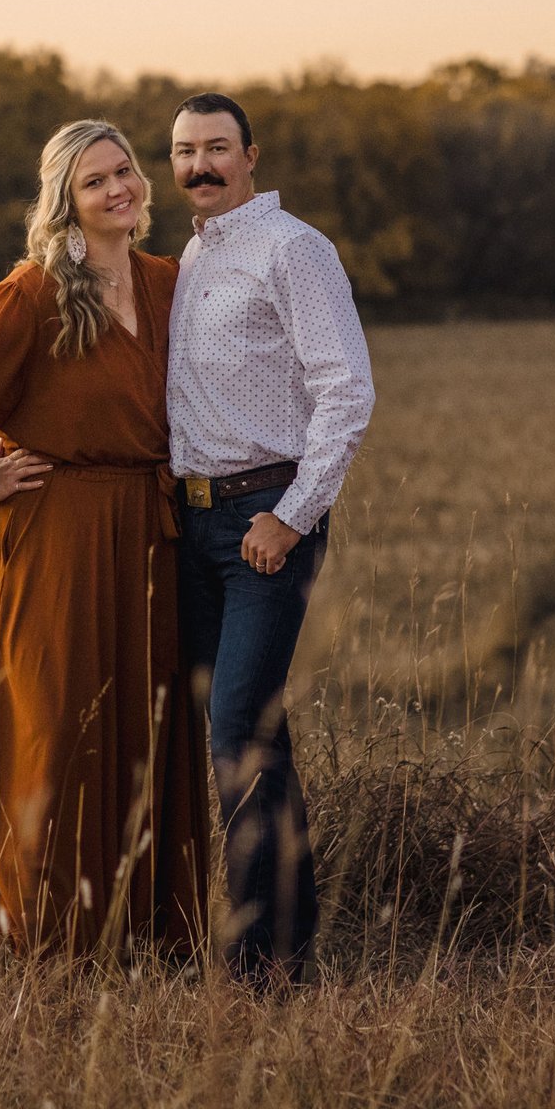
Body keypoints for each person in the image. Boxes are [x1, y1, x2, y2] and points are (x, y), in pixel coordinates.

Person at [0, 119, 210, 959]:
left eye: (126, 171)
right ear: (65, 202)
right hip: (56, 531)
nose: (119, 188)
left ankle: (137, 927)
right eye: (94, 180)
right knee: (58, 724)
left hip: (149, 530)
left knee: (142, 723)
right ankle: (42, 926)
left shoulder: (170, 281)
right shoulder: (36, 291)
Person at [166, 90, 374, 987]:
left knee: (236, 728)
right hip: (193, 523)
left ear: (252, 155)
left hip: (263, 523)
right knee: (254, 735)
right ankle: (288, 948)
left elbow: (347, 389)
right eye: (183, 150)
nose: (200, 165)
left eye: (217, 147)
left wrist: (291, 518)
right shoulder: (194, 253)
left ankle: (252, 964)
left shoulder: (294, 250)